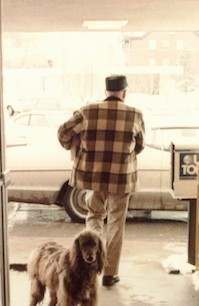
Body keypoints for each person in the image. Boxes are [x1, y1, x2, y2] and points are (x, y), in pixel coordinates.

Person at [57, 75, 145, 286]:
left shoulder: (87, 111)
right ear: (125, 92)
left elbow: (62, 133)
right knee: (116, 222)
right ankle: (109, 273)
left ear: (106, 91)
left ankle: (90, 264)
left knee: (94, 215)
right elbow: (140, 145)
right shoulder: (135, 114)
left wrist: (75, 143)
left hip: (93, 175)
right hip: (121, 177)